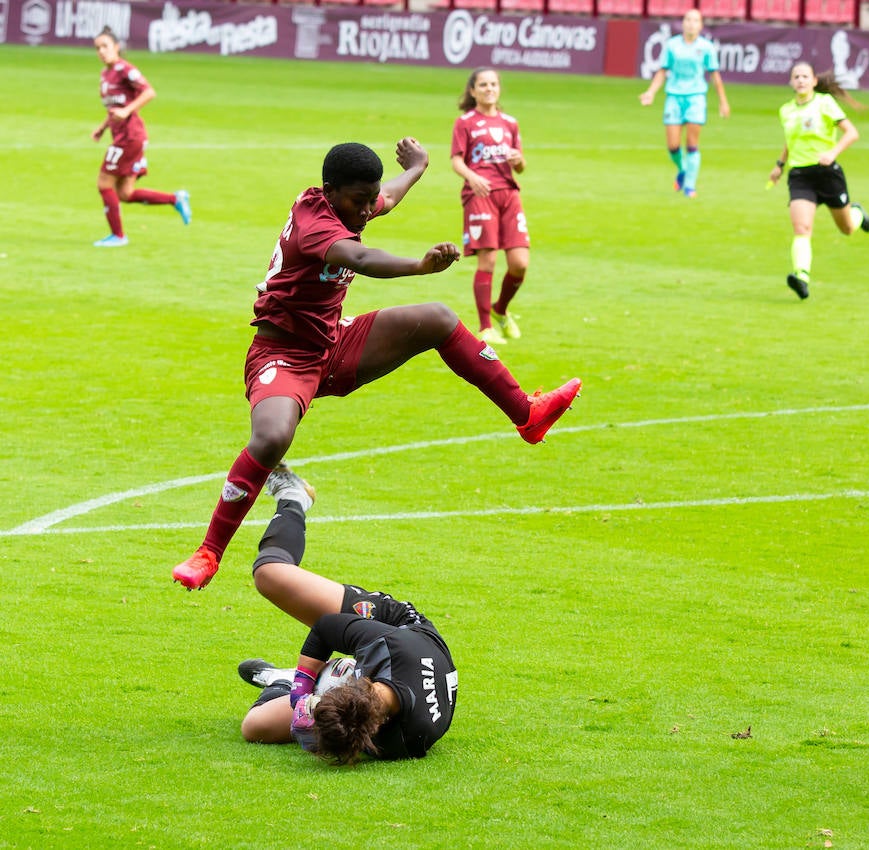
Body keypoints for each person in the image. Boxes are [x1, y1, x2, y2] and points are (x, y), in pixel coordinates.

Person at [170, 138, 582, 592]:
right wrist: (419, 266)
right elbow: (361, 258)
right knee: (271, 437)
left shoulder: (348, 204)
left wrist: (418, 168)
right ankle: (208, 552)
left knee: (438, 318)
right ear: (330, 191)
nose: (368, 210)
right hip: (283, 355)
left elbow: (387, 195)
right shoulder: (314, 223)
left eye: (370, 199)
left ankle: (527, 415)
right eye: (359, 201)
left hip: (334, 342)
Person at [236, 468, 456, 763]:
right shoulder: (392, 649)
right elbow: (326, 628)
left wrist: (315, 715)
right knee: (269, 575)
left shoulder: (399, 741)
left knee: (255, 727)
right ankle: (293, 496)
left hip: (386, 673)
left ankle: (284, 680)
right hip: (396, 625)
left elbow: (344, 728)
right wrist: (303, 690)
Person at [766, 61, 869, 301]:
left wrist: (832, 153)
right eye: (796, 77)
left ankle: (858, 214)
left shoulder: (825, 103)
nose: (800, 80)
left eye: (805, 76)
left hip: (827, 173)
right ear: (791, 82)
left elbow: (852, 133)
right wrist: (780, 165)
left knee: (847, 228)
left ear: (814, 81)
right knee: (801, 228)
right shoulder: (786, 111)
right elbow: (791, 140)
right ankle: (801, 277)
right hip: (800, 176)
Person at [450, 68, 530, 347]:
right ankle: (485, 327)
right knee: (489, 261)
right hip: (481, 194)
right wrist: (472, 177)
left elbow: (521, 166)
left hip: (509, 195)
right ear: (473, 91)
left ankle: (500, 309)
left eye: (493, 84)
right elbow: (456, 160)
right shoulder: (465, 122)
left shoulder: (510, 123)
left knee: (520, 263)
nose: (489, 89)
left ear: (499, 88)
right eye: (483, 85)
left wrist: (518, 160)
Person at [91, 26, 191, 247]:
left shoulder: (125, 69)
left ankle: (118, 236)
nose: (101, 51)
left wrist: (127, 111)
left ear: (116, 47)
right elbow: (114, 108)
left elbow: (149, 92)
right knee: (125, 193)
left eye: (105, 46)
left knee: (104, 182)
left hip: (129, 136)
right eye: (97, 48)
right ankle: (176, 199)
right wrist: (102, 128)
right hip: (124, 135)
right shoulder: (105, 75)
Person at [638, 9, 730, 199]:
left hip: (696, 97)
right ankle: (683, 169)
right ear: (683, 23)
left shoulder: (706, 47)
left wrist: (723, 101)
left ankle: (690, 186)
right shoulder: (672, 45)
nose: (691, 23)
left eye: (695, 20)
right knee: (673, 146)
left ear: (701, 25)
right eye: (688, 19)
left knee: (692, 144)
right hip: (674, 96)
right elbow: (663, 70)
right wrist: (651, 92)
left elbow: (715, 75)